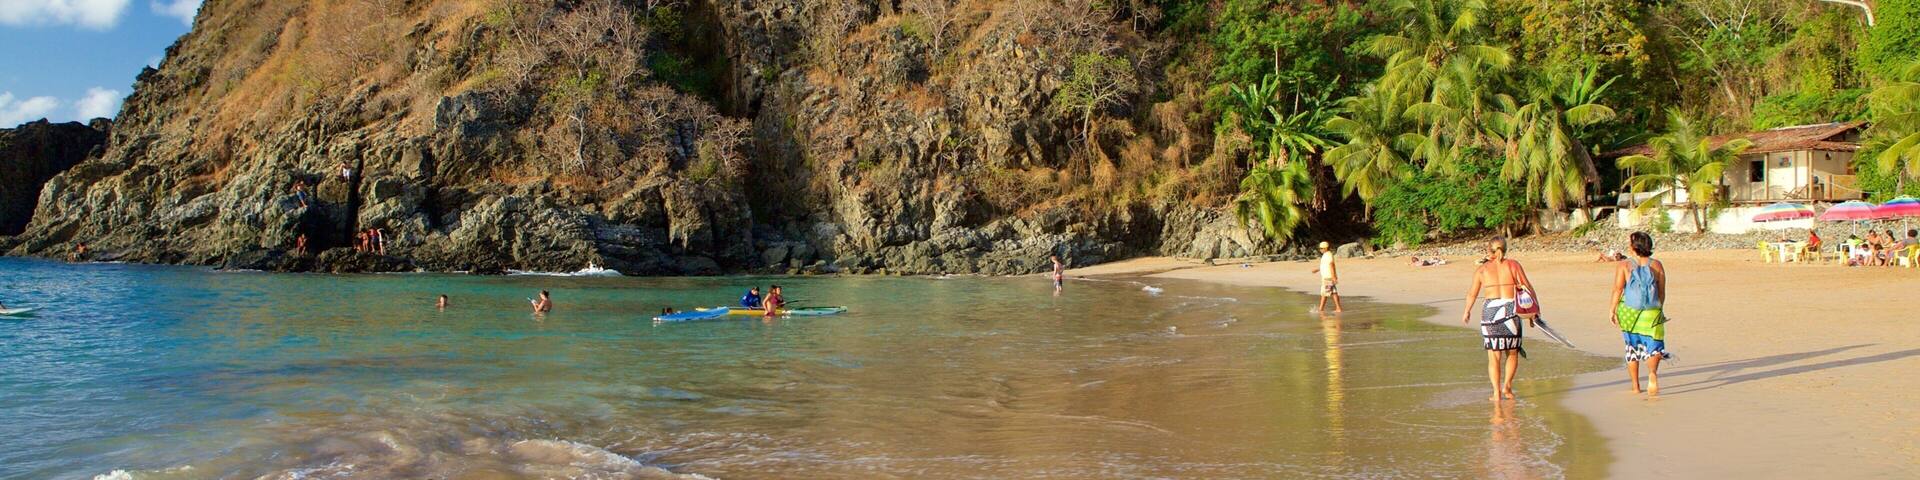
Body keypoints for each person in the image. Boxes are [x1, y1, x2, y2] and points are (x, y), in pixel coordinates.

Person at [1460, 237, 1537, 402]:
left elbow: (1472, 293)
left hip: (1490, 312)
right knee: (1512, 352)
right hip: (1511, 310)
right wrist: (1534, 312)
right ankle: (1507, 387)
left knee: (1494, 356)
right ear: (1505, 249)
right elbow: (1528, 288)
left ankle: (1496, 393)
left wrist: (1467, 311)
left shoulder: (1482, 270)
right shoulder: (1513, 265)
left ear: (1489, 251)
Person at [1611, 231, 1670, 396]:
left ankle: (1636, 386)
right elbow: (1662, 292)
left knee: (1632, 347)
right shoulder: (1657, 265)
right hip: (1652, 312)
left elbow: (1617, 289)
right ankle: (1652, 374)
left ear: (1633, 247)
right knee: (1654, 346)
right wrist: (1658, 309)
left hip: (1630, 312)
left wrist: (1612, 309)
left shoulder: (1624, 265)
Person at [1312, 242, 1343, 313]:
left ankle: (1322, 309)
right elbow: (1325, 265)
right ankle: (1337, 308)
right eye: (1320, 248)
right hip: (1328, 277)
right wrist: (1317, 270)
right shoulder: (1326, 255)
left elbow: (1331, 266)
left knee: (1326, 293)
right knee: (1332, 292)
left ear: (1325, 248)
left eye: (1321, 248)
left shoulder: (1328, 255)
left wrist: (1334, 277)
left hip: (1328, 277)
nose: (1320, 250)